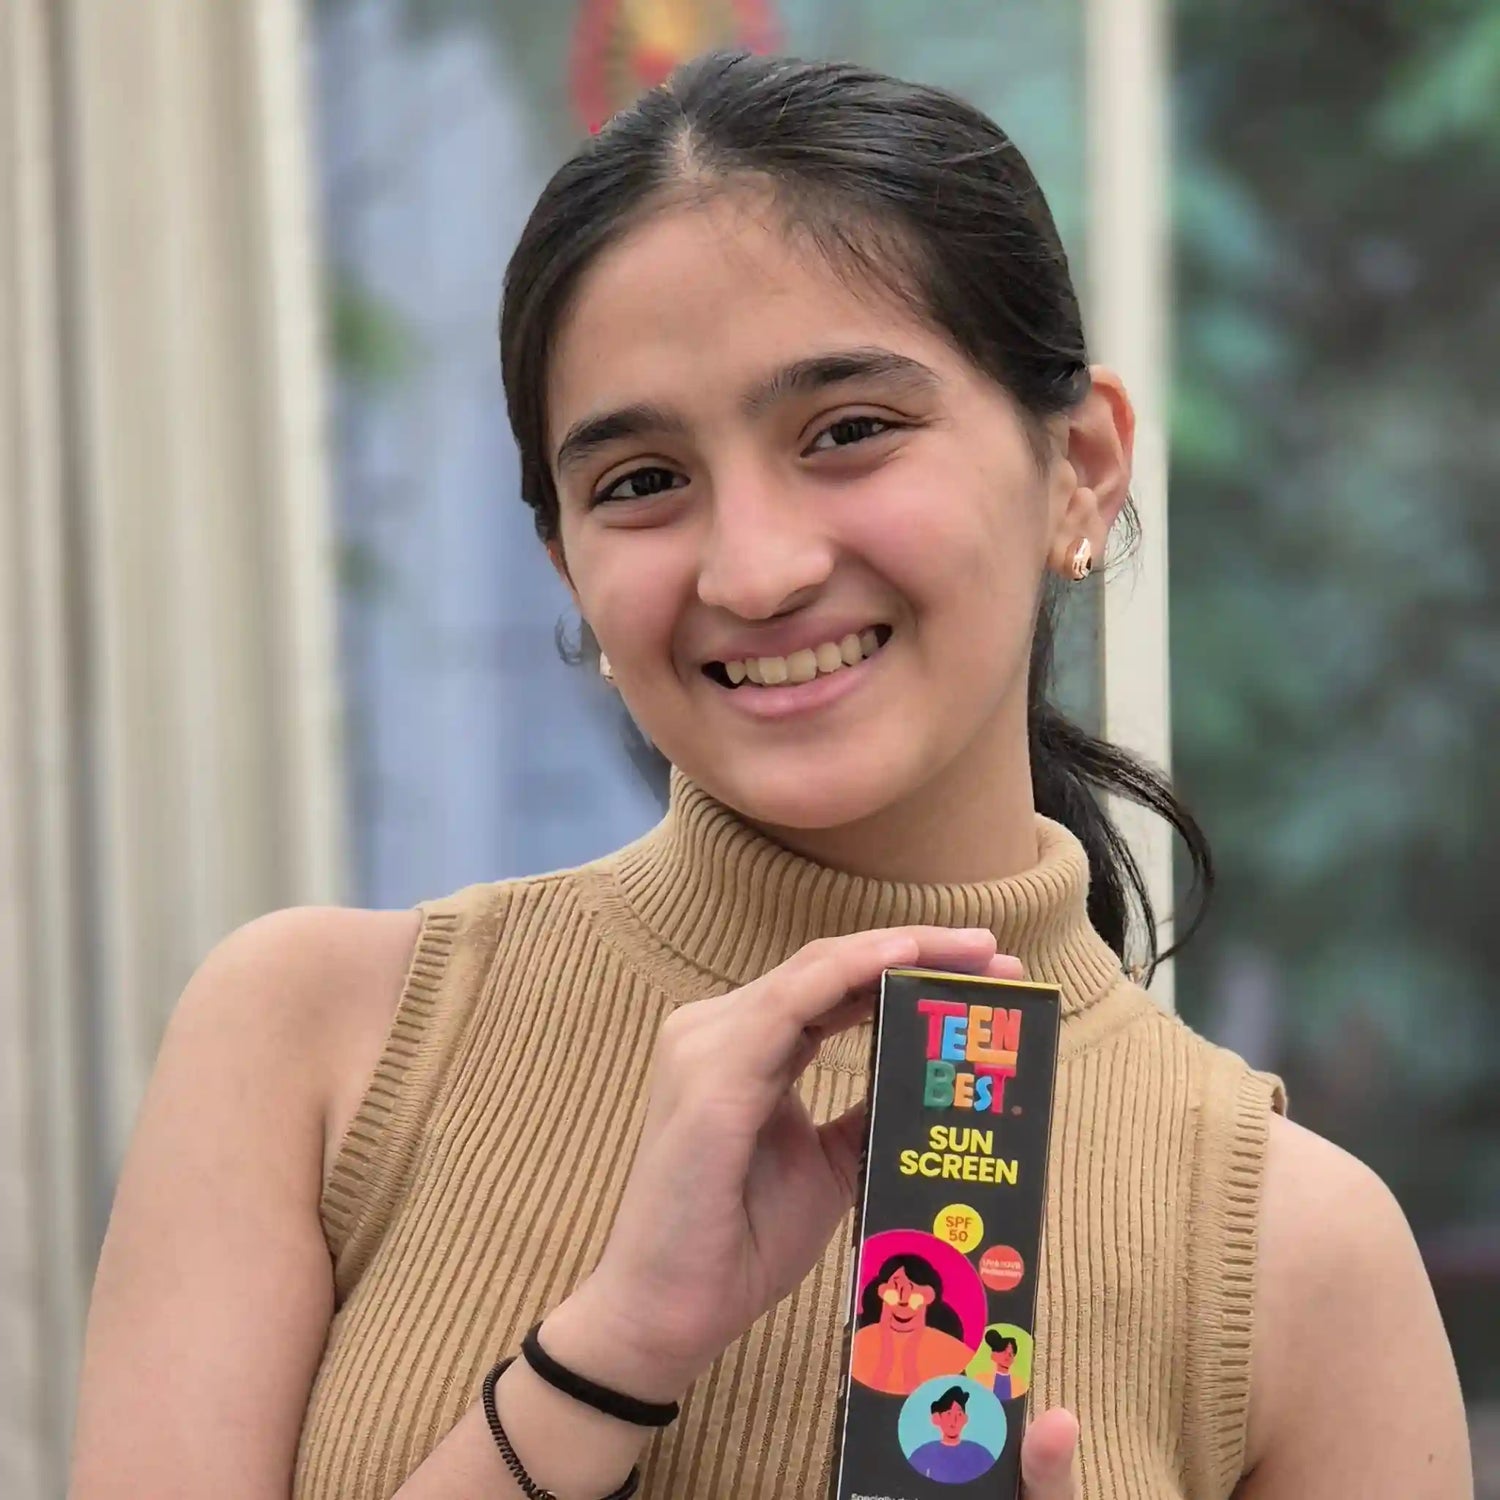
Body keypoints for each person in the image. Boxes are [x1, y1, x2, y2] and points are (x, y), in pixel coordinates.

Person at [65, 47, 1472, 1500]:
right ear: (568, 565)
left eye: (848, 432)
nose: (753, 570)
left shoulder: (1297, 1254)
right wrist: (606, 1357)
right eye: (641, 483)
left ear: (1081, 465)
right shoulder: (314, 1042)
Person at [850, 1252, 973, 1394]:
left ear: (929, 1295)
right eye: (896, 1286)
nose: (903, 1296)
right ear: (881, 1291)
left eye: (912, 1287)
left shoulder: (950, 1348)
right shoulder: (860, 1339)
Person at [908, 1387, 999, 1484]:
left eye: (959, 1414)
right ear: (937, 1418)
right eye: (948, 1414)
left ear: (965, 1419)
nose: (954, 1420)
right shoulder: (922, 1454)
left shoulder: (980, 1454)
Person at [984, 1332, 1025, 1402]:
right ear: (993, 1354)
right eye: (1004, 1351)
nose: (1008, 1356)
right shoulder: (984, 1379)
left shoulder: (1018, 1383)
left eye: (1011, 1353)